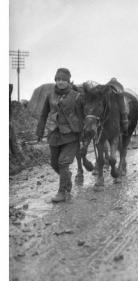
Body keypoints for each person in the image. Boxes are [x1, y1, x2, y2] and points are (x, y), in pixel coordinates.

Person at [36, 68, 83, 203]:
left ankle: (62, 192)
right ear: (55, 80)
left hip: (71, 135)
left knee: (63, 162)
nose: (60, 82)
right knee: (54, 163)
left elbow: (82, 116)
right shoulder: (50, 96)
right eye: (58, 79)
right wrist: (39, 132)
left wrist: (84, 135)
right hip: (54, 134)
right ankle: (66, 179)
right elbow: (44, 114)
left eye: (63, 80)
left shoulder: (77, 96)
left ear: (68, 81)